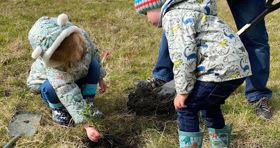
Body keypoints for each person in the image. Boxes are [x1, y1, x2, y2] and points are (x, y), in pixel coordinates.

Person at [134, 0, 252, 147]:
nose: (147, 18)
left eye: (146, 13)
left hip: (218, 70)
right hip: (237, 68)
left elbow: (184, 57)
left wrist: (183, 92)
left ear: (156, 5)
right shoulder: (194, 11)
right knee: (210, 105)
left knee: (186, 107)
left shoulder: (173, 17)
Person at [26, 13, 107, 142]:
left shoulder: (81, 40)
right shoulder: (55, 69)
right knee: (50, 88)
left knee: (94, 64)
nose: (80, 52)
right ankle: (58, 109)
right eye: (74, 55)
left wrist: (100, 78)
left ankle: (87, 102)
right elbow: (68, 93)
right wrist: (87, 126)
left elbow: (94, 54)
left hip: (75, 74)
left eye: (80, 48)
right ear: (59, 60)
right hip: (55, 86)